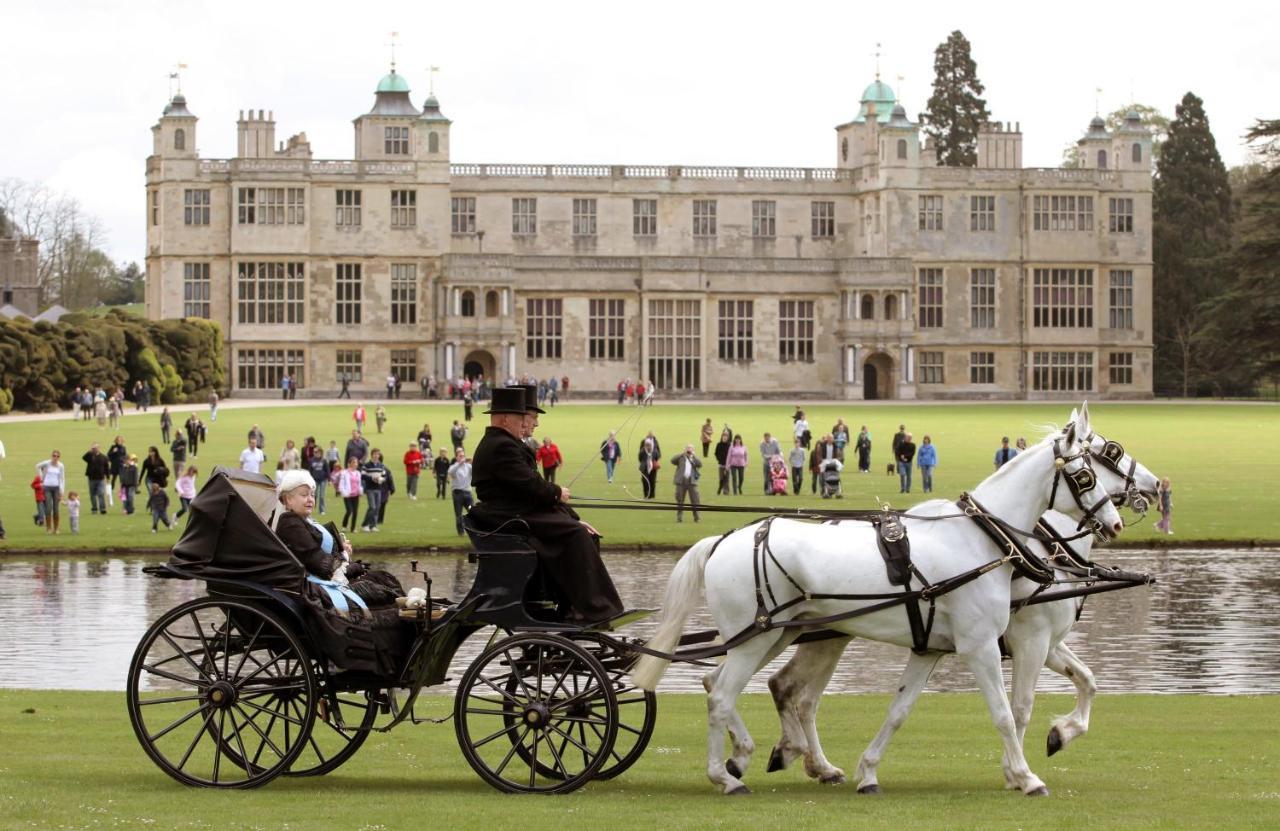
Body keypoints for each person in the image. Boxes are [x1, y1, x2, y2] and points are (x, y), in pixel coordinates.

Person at [467, 387, 623, 624]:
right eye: (523, 417)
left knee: (583, 532)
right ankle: (591, 607)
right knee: (576, 534)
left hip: (516, 510)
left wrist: (569, 514)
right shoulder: (501, 445)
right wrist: (557, 492)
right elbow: (530, 485)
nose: (529, 424)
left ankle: (576, 604)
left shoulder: (505, 443)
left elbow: (528, 488)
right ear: (506, 418)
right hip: (508, 515)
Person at [274, 470, 404, 610]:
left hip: (323, 578)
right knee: (381, 590)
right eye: (304, 495)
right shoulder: (290, 524)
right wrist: (348, 563)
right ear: (288, 500)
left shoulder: (304, 520)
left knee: (384, 578)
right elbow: (316, 560)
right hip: (312, 587)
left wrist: (343, 552)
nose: (310, 499)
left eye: (312, 494)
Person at [670, 444, 702, 522]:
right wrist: (682, 453)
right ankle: (679, 517)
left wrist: (694, 456)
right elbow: (672, 460)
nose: (689, 450)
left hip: (692, 482)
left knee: (695, 500)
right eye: (688, 448)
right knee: (680, 500)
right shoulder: (681, 458)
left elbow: (700, 464)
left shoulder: (694, 458)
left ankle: (696, 517)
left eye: (691, 449)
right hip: (681, 481)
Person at [359, 449, 389, 532]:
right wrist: (372, 478)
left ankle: (373, 526)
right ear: (372, 455)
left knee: (377, 508)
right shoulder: (367, 465)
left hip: (378, 489)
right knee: (372, 507)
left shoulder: (381, 465)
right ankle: (365, 525)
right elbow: (363, 476)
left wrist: (380, 479)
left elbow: (384, 476)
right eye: (375, 454)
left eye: (378, 454)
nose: (376, 456)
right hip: (370, 489)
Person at [447, 447, 474, 536]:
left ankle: (473, 530)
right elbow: (450, 472)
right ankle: (461, 532)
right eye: (460, 456)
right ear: (456, 457)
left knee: (472, 512)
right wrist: (459, 464)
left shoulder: (468, 467)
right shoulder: (454, 467)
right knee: (458, 514)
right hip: (458, 493)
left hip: (467, 493)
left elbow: (474, 471)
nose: (462, 457)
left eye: (463, 455)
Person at [336, 456, 363, 534]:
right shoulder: (344, 473)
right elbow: (341, 484)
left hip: (356, 495)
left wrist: (360, 491)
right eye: (354, 462)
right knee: (349, 510)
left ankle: (353, 528)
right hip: (348, 495)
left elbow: (359, 484)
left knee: (355, 512)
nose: (355, 464)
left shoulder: (358, 473)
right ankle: (344, 526)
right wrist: (343, 492)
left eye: (356, 462)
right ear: (350, 464)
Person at [81, 443, 110, 515]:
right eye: (93, 448)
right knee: (92, 494)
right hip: (91, 478)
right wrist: (89, 451)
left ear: (99, 448)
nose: (95, 449)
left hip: (100, 478)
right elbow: (83, 457)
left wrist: (108, 477)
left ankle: (102, 508)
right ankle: (94, 508)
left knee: (101, 493)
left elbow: (107, 468)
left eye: (96, 448)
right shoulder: (90, 456)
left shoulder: (104, 457)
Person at [306, 445, 332, 515]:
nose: (317, 453)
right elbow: (310, 471)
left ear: (321, 453)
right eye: (315, 452)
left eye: (318, 452)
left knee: (322, 496)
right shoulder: (311, 460)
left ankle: (322, 510)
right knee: (315, 495)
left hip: (323, 480)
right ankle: (312, 507)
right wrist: (308, 479)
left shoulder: (324, 460)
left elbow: (327, 471)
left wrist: (329, 480)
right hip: (314, 480)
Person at [714, 428, 732, 495]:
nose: (724, 438)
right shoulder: (719, 444)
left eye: (726, 437)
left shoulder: (729, 445)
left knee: (727, 478)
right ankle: (720, 488)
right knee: (721, 478)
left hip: (727, 465)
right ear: (721, 437)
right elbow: (716, 453)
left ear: (728, 438)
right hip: (721, 464)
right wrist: (719, 459)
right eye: (723, 437)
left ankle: (726, 491)